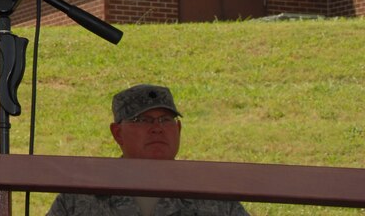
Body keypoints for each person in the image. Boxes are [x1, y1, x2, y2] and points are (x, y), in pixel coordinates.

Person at [46, 84, 250, 216]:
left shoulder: (212, 195)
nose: (157, 128)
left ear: (178, 130)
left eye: (166, 120)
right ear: (117, 133)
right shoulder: (81, 196)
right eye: (142, 120)